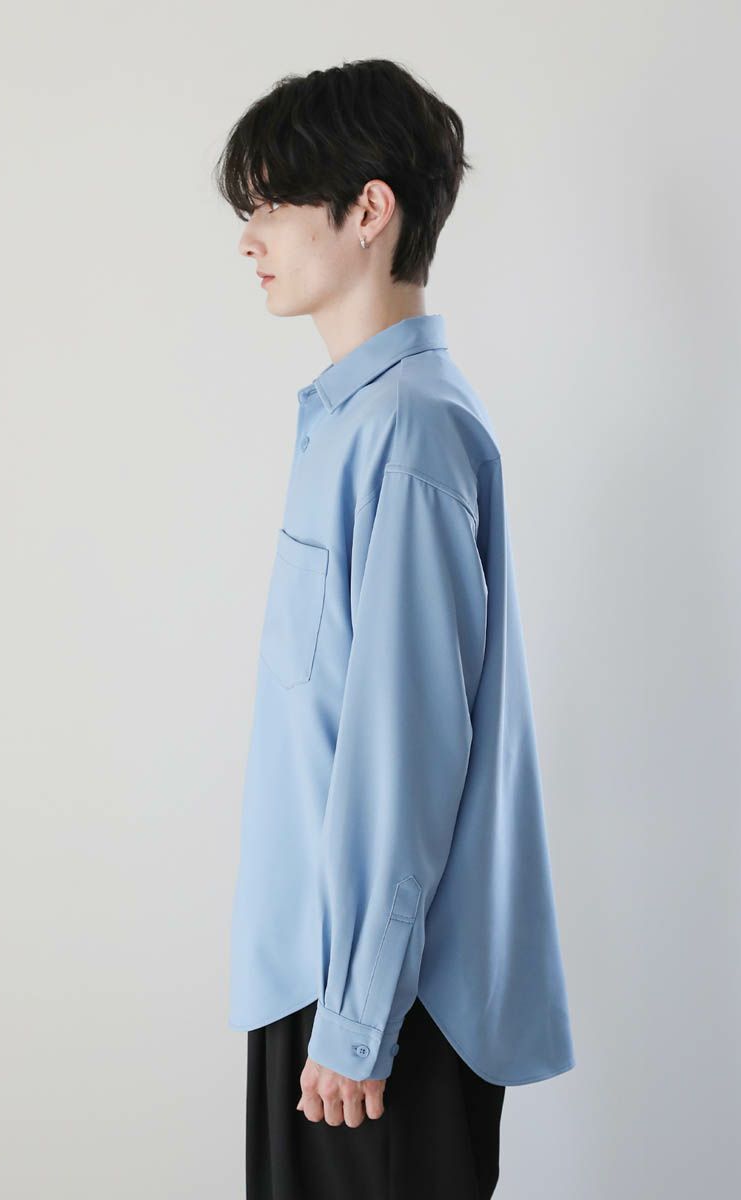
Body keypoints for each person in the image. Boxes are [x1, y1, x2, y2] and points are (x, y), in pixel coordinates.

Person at [214, 58, 575, 1200]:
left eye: (271, 205)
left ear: (368, 209)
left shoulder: (411, 433)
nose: (249, 239)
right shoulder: (356, 422)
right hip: (324, 980)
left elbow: (405, 755)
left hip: (378, 1009)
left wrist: (358, 1019)